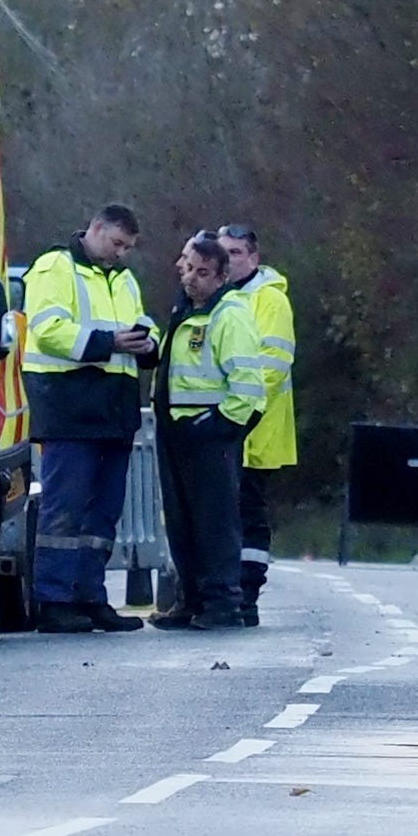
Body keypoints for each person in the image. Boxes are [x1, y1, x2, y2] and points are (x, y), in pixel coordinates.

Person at [20, 204, 157, 633]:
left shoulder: (124, 279)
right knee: (65, 509)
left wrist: (148, 344)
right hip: (71, 407)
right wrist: (110, 342)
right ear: (95, 229)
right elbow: (48, 328)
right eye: (117, 243)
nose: (121, 254)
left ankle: (91, 596)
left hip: (114, 410)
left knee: (103, 513)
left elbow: (142, 326)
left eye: (128, 248)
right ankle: (54, 599)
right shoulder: (54, 267)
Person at [151, 232, 266, 628]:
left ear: (221, 277)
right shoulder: (186, 310)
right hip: (178, 431)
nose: (192, 278)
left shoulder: (229, 315)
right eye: (189, 269)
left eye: (203, 273)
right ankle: (192, 599)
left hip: (210, 434)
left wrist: (220, 427)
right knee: (182, 523)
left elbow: (249, 384)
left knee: (215, 524)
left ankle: (222, 604)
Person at [216, 223, 296, 620]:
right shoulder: (220, 296)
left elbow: (273, 365)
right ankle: (224, 591)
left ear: (253, 258)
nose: (228, 260)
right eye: (223, 252)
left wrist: (236, 408)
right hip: (224, 427)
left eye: (235, 253)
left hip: (255, 429)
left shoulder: (269, 300)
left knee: (248, 513)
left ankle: (247, 593)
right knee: (223, 513)